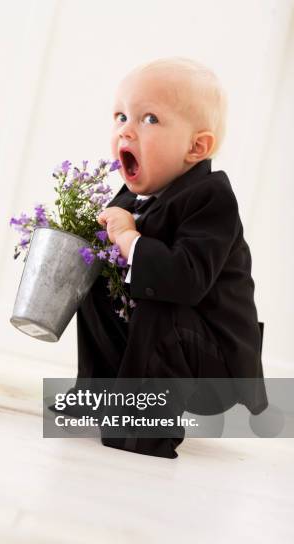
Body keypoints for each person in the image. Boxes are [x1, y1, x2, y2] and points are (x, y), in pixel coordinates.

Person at [52, 57, 268, 459]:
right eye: (120, 116)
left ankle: (145, 427)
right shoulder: (132, 195)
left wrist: (129, 239)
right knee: (95, 279)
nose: (126, 130)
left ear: (196, 147)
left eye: (149, 119)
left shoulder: (211, 198)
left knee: (159, 304)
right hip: (169, 347)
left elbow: (185, 280)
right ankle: (100, 395)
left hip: (215, 360)